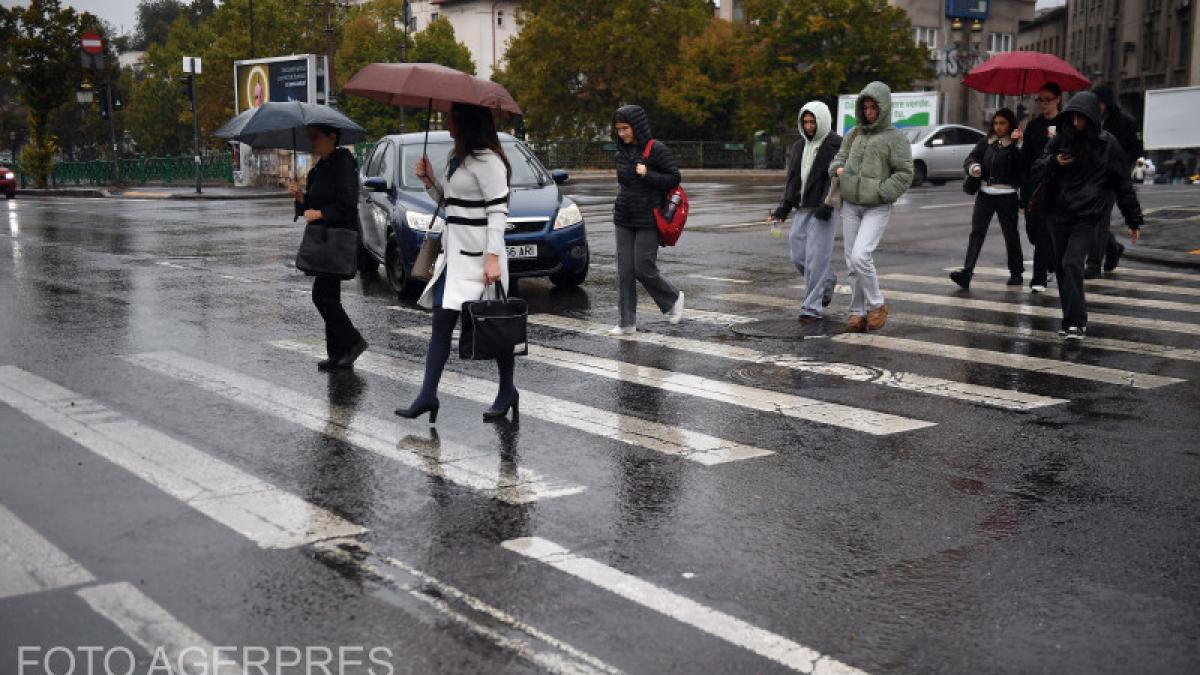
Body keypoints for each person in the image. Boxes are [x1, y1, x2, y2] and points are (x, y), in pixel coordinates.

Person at [395, 103, 517, 423]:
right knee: (441, 323)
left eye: (450, 118)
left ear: (466, 122)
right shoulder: (456, 158)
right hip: (454, 256)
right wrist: (430, 181)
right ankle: (427, 395)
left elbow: (497, 212)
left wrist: (492, 259)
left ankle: (507, 390)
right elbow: (451, 205)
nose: (446, 122)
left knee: (496, 326)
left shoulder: (490, 162)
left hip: (481, 260)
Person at [1032, 91, 1143, 341]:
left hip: (1087, 216)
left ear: (1092, 118)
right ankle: (1069, 319)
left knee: (1072, 263)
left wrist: (1133, 220)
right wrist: (1054, 162)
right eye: (1072, 117)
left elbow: (1123, 184)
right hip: (1057, 214)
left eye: (1081, 118)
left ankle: (1077, 322)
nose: (1076, 123)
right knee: (1062, 268)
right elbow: (1037, 168)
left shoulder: (1108, 145)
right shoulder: (1061, 138)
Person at [828, 81, 914, 332]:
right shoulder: (854, 133)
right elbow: (838, 159)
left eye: (873, 107)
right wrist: (838, 170)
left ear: (883, 107)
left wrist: (881, 191)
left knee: (861, 255)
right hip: (851, 205)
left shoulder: (895, 138)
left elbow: (905, 173)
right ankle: (857, 312)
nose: (868, 112)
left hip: (877, 207)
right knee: (851, 264)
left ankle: (877, 304)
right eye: (865, 107)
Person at [288, 124, 367, 371]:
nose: (312, 141)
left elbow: (347, 203)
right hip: (324, 237)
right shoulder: (320, 167)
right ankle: (337, 353)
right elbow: (313, 203)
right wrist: (301, 197)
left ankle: (353, 341)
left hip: (337, 236)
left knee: (322, 296)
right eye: (309, 137)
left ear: (332, 137)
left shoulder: (343, 163)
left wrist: (320, 212)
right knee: (328, 295)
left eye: (316, 137)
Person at [609, 105, 685, 336]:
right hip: (624, 216)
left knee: (643, 267)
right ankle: (626, 322)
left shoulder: (656, 149)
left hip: (649, 217)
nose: (622, 134)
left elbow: (674, 177)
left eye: (625, 128)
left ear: (637, 126)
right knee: (624, 271)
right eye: (618, 129)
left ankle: (673, 298)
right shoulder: (621, 151)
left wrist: (648, 174)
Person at [769, 101, 843, 322]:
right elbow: (793, 179)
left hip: (824, 208)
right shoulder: (799, 146)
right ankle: (827, 282)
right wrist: (783, 208)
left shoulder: (836, 144)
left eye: (813, 122)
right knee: (798, 254)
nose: (809, 126)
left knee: (817, 260)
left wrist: (827, 205)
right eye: (806, 122)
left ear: (822, 121)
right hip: (802, 207)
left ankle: (812, 306)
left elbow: (836, 179)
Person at [950, 108, 1025, 290]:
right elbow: (971, 157)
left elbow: (1021, 168)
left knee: (1010, 235)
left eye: (1003, 123)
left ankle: (1016, 273)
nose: (998, 127)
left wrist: (1017, 144)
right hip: (985, 194)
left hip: (1007, 195)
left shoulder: (1016, 144)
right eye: (996, 123)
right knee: (977, 233)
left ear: (1010, 124)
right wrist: (974, 167)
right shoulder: (987, 141)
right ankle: (967, 273)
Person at [1086, 83, 1142, 277]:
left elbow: (1136, 148)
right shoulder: (1091, 120)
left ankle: (1093, 265)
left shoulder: (1125, 122)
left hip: (1113, 178)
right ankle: (1113, 247)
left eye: (1100, 102)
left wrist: (1120, 163)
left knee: (1100, 220)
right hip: (1092, 177)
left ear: (1107, 102)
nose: (1098, 106)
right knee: (1090, 219)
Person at [1018, 83, 1062, 293]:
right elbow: (1025, 160)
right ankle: (1052, 262)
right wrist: (1023, 191)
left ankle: (1039, 278)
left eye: (1048, 99)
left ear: (1058, 99)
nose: (1044, 104)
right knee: (1033, 232)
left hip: (1055, 186)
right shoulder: (1034, 126)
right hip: (1034, 185)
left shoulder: (1065, 123)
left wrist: (1057, 143)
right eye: (1040, 100)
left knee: (1044, 232)